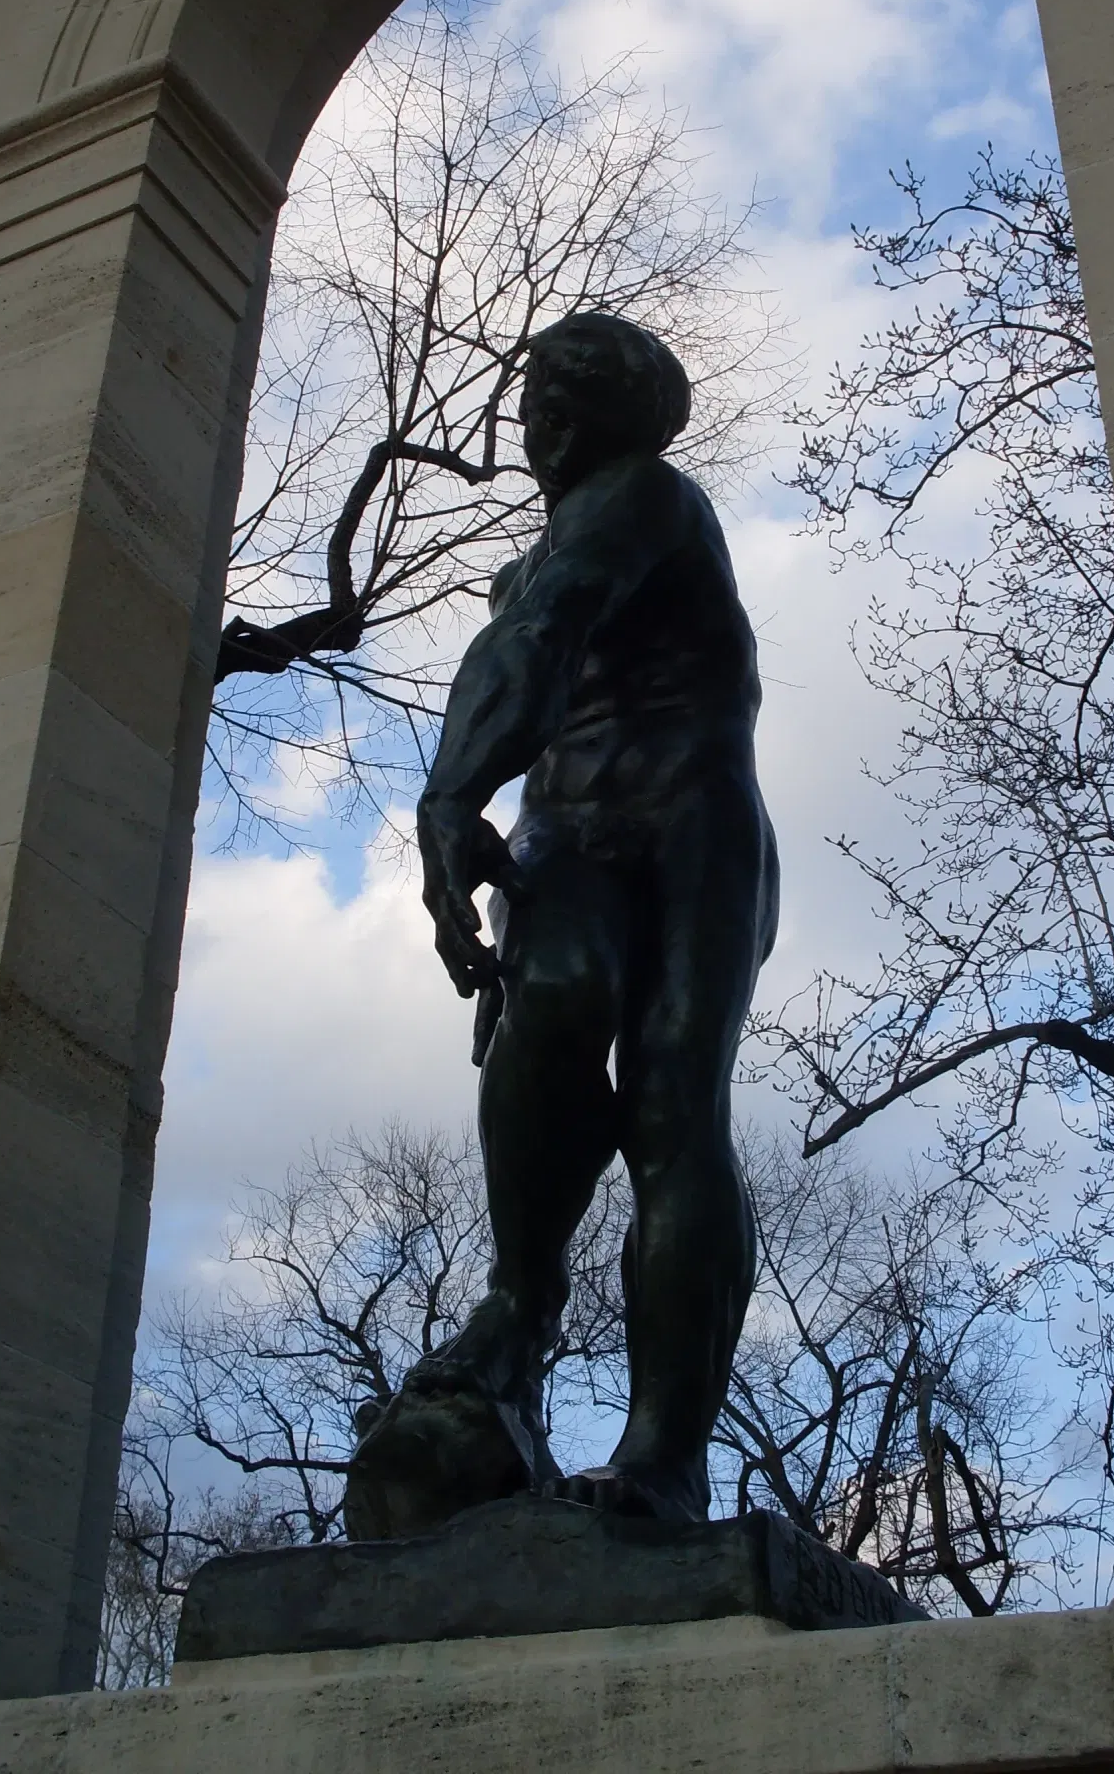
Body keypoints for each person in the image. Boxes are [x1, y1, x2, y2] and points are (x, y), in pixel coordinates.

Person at [408, 311, 778, 1525]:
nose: (534, 424)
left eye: (554, 403)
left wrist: (454, 786)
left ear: (597, 421)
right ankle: (522, 1304)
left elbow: (551, 622)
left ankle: (665, 1449)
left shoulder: (648, 500)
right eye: (532, 402)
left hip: (691, 819)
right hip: (567, 821)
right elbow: (532, 631)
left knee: (674, 1098)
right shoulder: (534, 560)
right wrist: (468, 797)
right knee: (551, 1006)